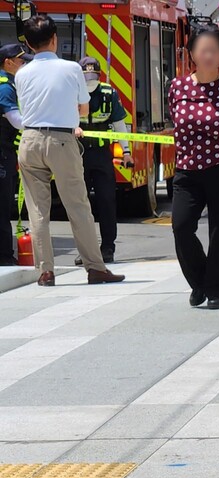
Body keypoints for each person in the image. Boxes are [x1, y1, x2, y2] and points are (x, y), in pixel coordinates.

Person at [15, 15, 124, 286]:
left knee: (37, 210)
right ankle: (95, 267)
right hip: (62, 141)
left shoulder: (22, 73)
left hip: (29, 140)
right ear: (55, 39)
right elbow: (84, 109)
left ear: (27, 44)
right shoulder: (71, 69)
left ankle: (45, 271)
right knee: (77, 205)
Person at [168, 27, 219, 310]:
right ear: (191, 53)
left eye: (214, 49)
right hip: (186, 169)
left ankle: (216, 290)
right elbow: (175, 120)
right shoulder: (177, 87)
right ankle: (199, 281)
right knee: (180, 226)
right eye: (202, 49)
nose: (207, 54)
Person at [75, 56, 134, 266]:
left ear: (99, 76)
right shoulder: (71, 91)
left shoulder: (108, 93)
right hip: (77, 154)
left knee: (107, 201)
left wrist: (126, 152)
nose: (89, 82)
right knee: (80, 205)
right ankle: (85, 250)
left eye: (92, 78)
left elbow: (119, 124)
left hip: (101, 154)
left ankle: (107, 248)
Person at [0, 44, 31, 266]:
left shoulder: (9, 84)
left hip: (5, 151)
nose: (24, 65)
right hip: (2, 153)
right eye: (21, 61)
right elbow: (15, 119)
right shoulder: (5, 87)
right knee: (2, 206)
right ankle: (4, 256)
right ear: (8, 62)